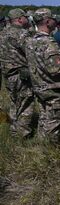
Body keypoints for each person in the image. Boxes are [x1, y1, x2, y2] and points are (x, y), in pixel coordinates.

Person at [25, 8, 60, 142]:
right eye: (53, 19)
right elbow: (57, 71)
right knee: (52, 126)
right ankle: (48, 153)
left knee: (44, 121)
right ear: (47, 21)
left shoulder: (31, 40)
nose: (55, 21)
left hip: (39, 87)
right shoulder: (49, 43)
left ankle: (40, 149)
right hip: (53, 90)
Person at [0, 8, 34, 138]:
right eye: (25, 17)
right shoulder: (21, 34)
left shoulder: (3, 33)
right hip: (21, 76)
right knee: (25, 105)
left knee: (14, 103)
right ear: (20, 19)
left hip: (8, 75)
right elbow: (31, 52)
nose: (27, 19)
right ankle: (23, 135)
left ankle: (14, 130)